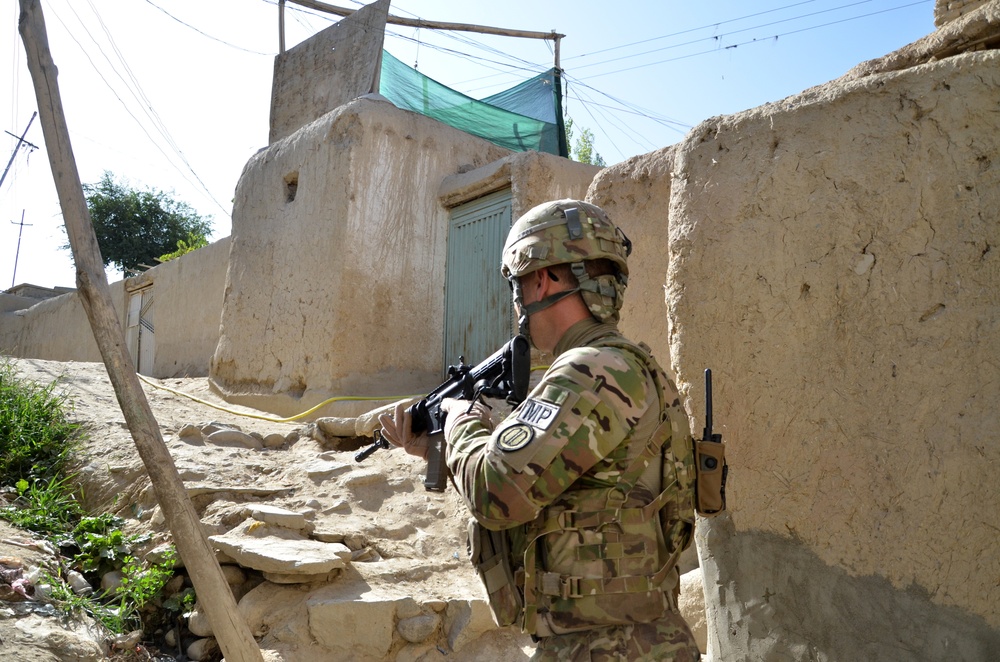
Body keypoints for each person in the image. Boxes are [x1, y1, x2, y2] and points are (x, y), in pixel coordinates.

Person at [381, 199, 699, 661]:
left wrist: (460, 419)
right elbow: (552, 488)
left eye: (516, 284)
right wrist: (440, 448)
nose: (517, 301)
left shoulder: (590, 370)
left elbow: (497, 492)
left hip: (604, 646)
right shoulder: (623, 365)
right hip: (626, 639)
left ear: (542, 277)